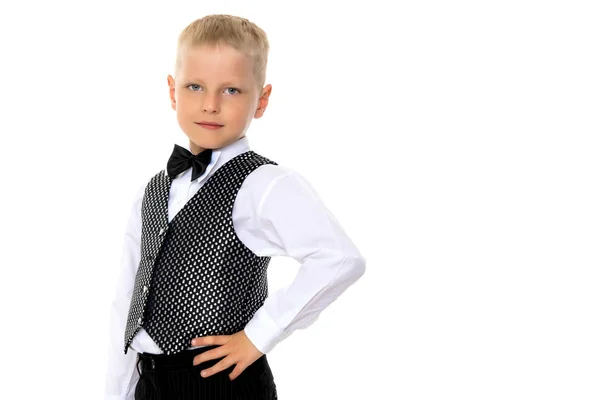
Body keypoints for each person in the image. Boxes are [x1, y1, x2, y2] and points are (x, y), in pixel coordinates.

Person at [104, 14, 366, 400]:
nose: (210, 105)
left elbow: (339, 259)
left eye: (231, 91)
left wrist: (258, 336)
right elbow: (128, 301)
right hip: (150, 383)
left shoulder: (264, 184)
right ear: (173, 92)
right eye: (195, 86)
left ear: (261, 101)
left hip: (222, 384)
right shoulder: (153, 191)